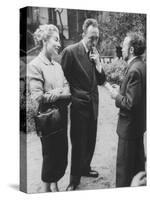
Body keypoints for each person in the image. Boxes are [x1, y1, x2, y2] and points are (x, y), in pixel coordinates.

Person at [61, 18, 106, 190]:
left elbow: (101, 80)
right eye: (91, 38)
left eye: (97, 38)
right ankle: (74, 180)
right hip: (79, 106)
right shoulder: (70, 51)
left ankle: (85, 168)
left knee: (90, 140)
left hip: (93, 104)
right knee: (78, 142)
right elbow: (62, 78)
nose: (94, 41)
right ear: (83, 34)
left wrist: (98, 64)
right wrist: (72, 97)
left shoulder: (95, 53)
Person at [28, 24, 70, 192]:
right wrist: (59, 93)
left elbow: (69, 91)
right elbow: (37, 95)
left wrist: (57, 93)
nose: (59, 43)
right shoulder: (35, 65)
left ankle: (55, 185)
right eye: (56, 39)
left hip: (62, 117)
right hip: (47, 119)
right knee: (50, 157)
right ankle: (47, 189)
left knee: (61, 156)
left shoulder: (58, 66)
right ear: (45, 40)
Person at [109, 32, 146, 187]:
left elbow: (130, 104)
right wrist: (122, 91)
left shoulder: (134, 70)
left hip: (129, 129)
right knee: (137, 167)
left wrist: (116, 96)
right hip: (137, 127)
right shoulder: (141, 66)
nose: (121, 49)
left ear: (131, 49)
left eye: (124, 45)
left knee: (124, 171)